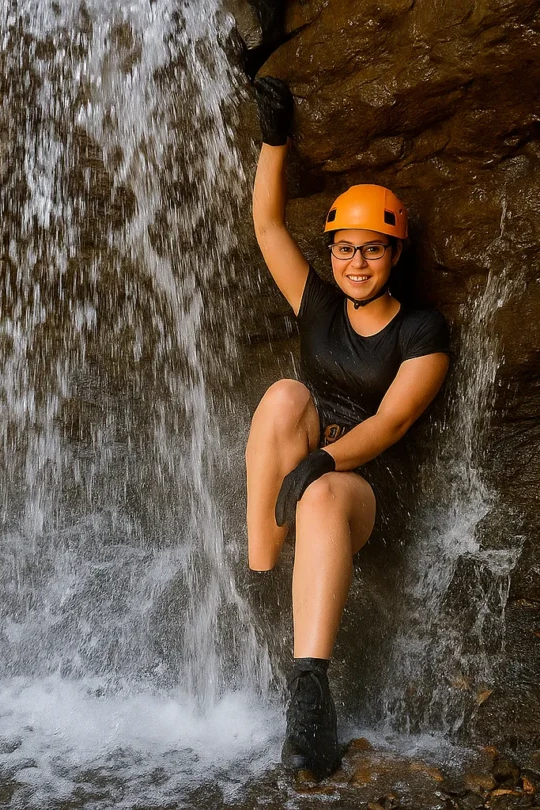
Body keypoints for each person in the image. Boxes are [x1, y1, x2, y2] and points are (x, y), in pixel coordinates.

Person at [245, 77, 451, 780]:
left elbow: (393, 421)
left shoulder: (422, 330)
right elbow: (268, 228)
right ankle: (260, 579)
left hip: (365, 485)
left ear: (394, 255)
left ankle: (310, 696)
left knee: (324, 495)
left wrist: (323, 463)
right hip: (308, 467)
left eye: (371, 250)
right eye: (344, 249)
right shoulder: (318, 307)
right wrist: (275, 142)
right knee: (282, 395)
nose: (355, 263)